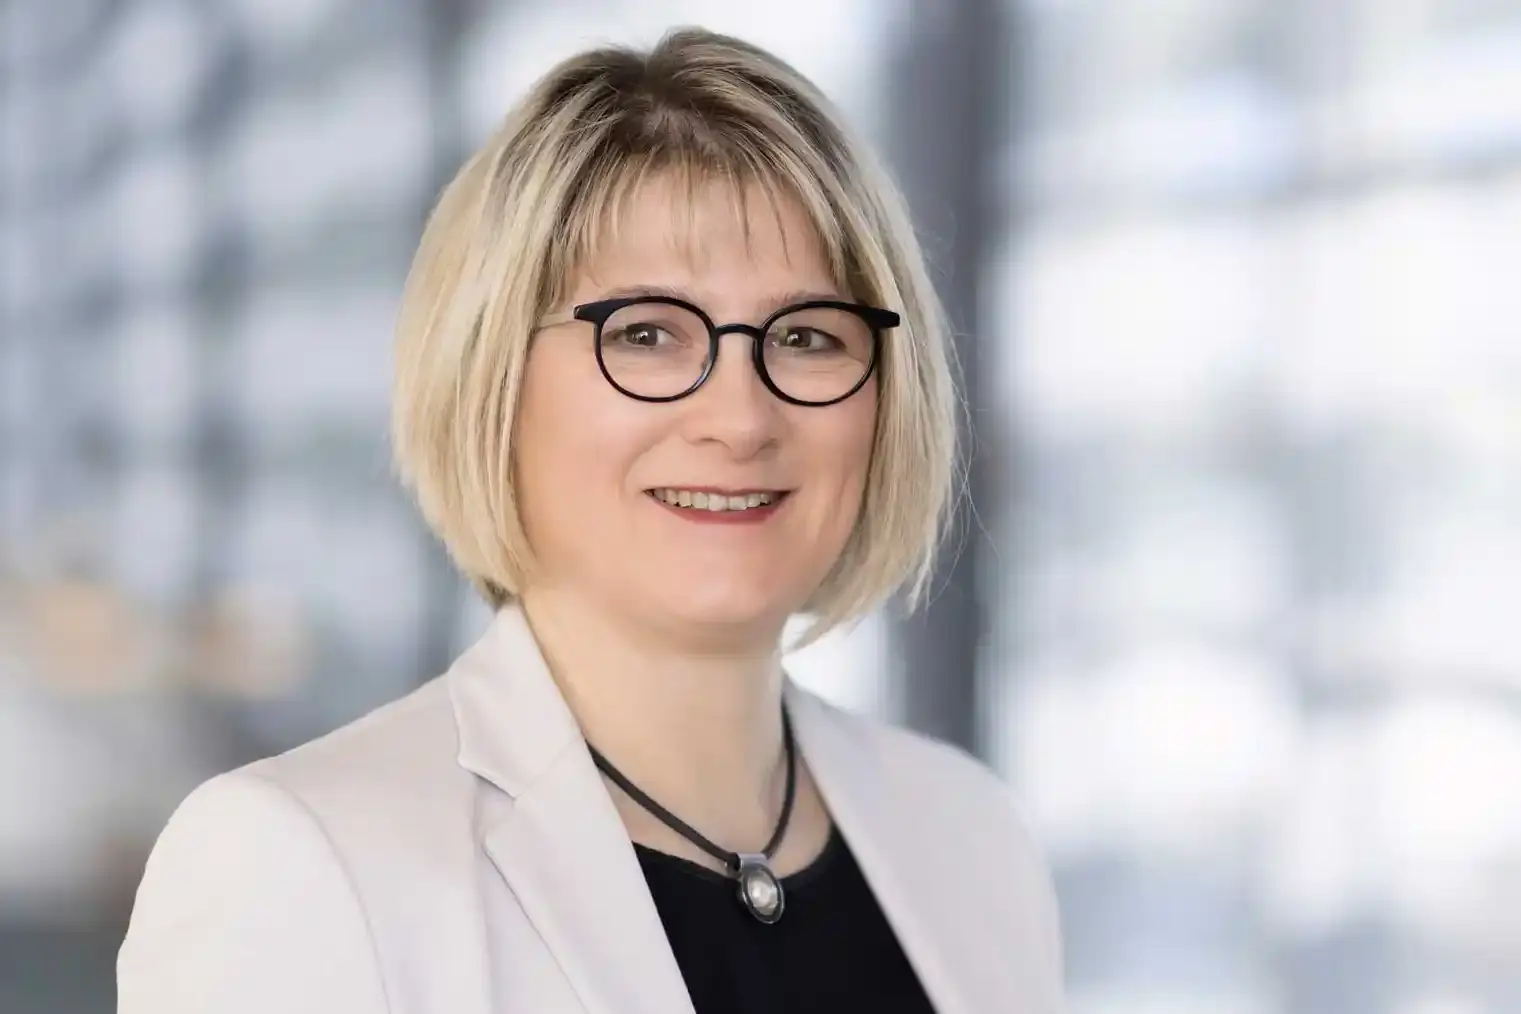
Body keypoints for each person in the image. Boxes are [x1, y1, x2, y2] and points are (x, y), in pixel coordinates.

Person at [116, 27, 1066, 1014]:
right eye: (647, 334)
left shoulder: (971, 837)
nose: (741, 418)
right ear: (492, 378)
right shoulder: (298, 864)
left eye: (806, 337)